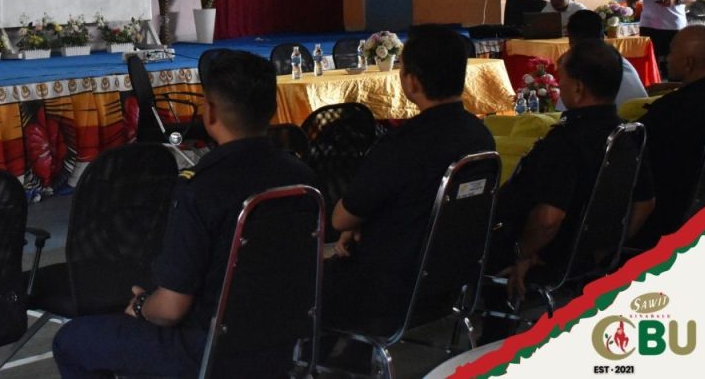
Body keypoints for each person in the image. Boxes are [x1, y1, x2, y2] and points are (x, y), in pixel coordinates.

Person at [52, 50, 315, 379]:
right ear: (273, 109)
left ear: (210, 112)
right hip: (281, 345)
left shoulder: (202, 188)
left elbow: (170, 310)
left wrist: (142, 305)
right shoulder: (304, 178)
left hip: (205, 350)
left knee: (72, 341)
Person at [322, 24, 495, 332]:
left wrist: (358, 223)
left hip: (391, 286)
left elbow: (340, 218)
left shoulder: (403, 145)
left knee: (303, 283)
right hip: (452, 280)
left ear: (411, 82)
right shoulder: (480, 135)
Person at [487, 40, 655, 312]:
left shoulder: (565, 142)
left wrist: (522, 253)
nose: (558, 85)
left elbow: (548, 219)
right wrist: (608, 249)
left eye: (561, 78)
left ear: (578, 88)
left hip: (545, 251)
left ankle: (490, 327)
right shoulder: (629, 133)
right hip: (590, 254)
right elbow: (645, 204)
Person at [629, 24, 705, 248]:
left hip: (668, 221)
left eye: (671, 52)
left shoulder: (672, 110)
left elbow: (631, 154)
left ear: (688, 63)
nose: (666, 59)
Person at [552, 10, 647, 110]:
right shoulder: (619, 61)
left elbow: (561, 113)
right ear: (602, 37)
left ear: (571, 42)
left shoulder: (580, 68)